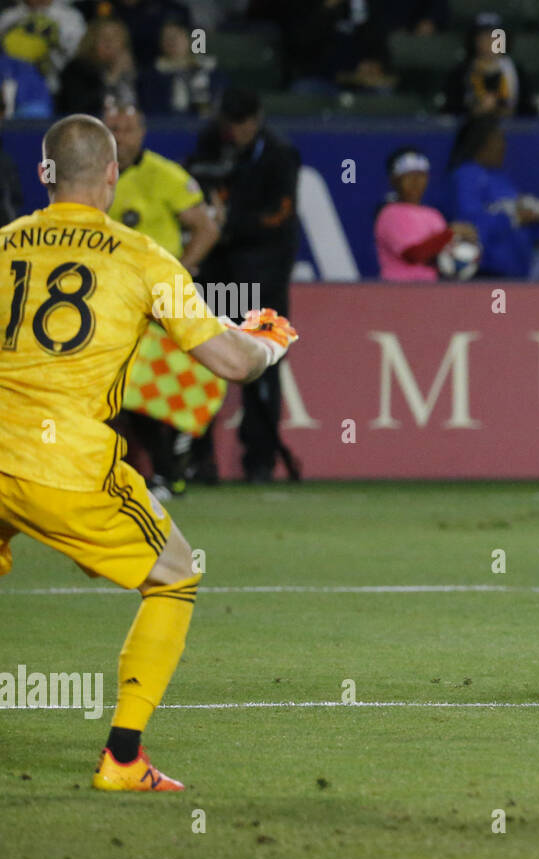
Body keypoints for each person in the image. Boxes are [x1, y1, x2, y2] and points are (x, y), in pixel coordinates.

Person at [0, 113, 298, 789]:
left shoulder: (3, 245)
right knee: (175, 574)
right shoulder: (138, 255)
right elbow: (228, 361)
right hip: (66, 463)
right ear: (111, 175)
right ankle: (124, 758)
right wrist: (269, 341)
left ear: (46, 175)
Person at [104, 100, 221, 497]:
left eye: (127, 129)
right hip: (108, 299)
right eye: (113, 129)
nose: (120, 137)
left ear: (142, 132)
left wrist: (178, 275)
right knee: (119, 391)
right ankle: (151, 473)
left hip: (157, 302)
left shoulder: (166, 175)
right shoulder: (94, 177)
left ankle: (172, 473)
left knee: (153, 388)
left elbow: (205, 228)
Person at [188, 88, 301, 483]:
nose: (234, 130)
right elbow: (193, 186)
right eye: (229, 122)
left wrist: (228, 226)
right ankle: (199, 458)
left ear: (257, 118)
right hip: (221, 274)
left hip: (263, 277)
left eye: (242, 122)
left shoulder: (279, 155)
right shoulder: (209, 143)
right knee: (207, 362)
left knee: (262, 368)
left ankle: (260, 460)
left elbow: (280, 216)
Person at [446, 115, 539, 279]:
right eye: (498, 140)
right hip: (486, 273)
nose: (503, 146)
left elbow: (518, 224)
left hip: (517, 271)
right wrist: (514, 217)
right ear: (482, 144)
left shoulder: (500, 179)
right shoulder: (466, 176)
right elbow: (469, 224)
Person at [374, 145, 476, 281]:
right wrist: (451, 233)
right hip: (397, 290)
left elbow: (441, 256)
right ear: (394, 180)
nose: (416, 182)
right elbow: (413, 255)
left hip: (429, 290)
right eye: (408, 176)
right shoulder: (389, 213)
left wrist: (464, 242)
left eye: (421, 176)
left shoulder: (434, 215)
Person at [443, 11, 527, 117]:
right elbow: (451, 110)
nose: (488, 42)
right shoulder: (460, 73)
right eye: (482, 37)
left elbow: (526, 110)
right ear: (473, 40)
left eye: (494, 37)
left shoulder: (517, 72)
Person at [137, 15, 223, 116]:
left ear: (189, 38)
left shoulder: (209, 69)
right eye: (166, 37)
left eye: (177, 36)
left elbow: (218, 102)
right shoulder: (150, 76)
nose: (172, 41)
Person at [0, 0, 85, 94]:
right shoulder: (8, 16)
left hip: (53, 84)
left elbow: (78, 53)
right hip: (9, 83)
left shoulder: (70, 17)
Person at [57, 15, 135, 115]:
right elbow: (80, 109)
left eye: (115, 37)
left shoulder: (136, 72)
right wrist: (112, 78)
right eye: (104, 38)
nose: (109, 44)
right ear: (92, 42)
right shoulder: (75, 71)